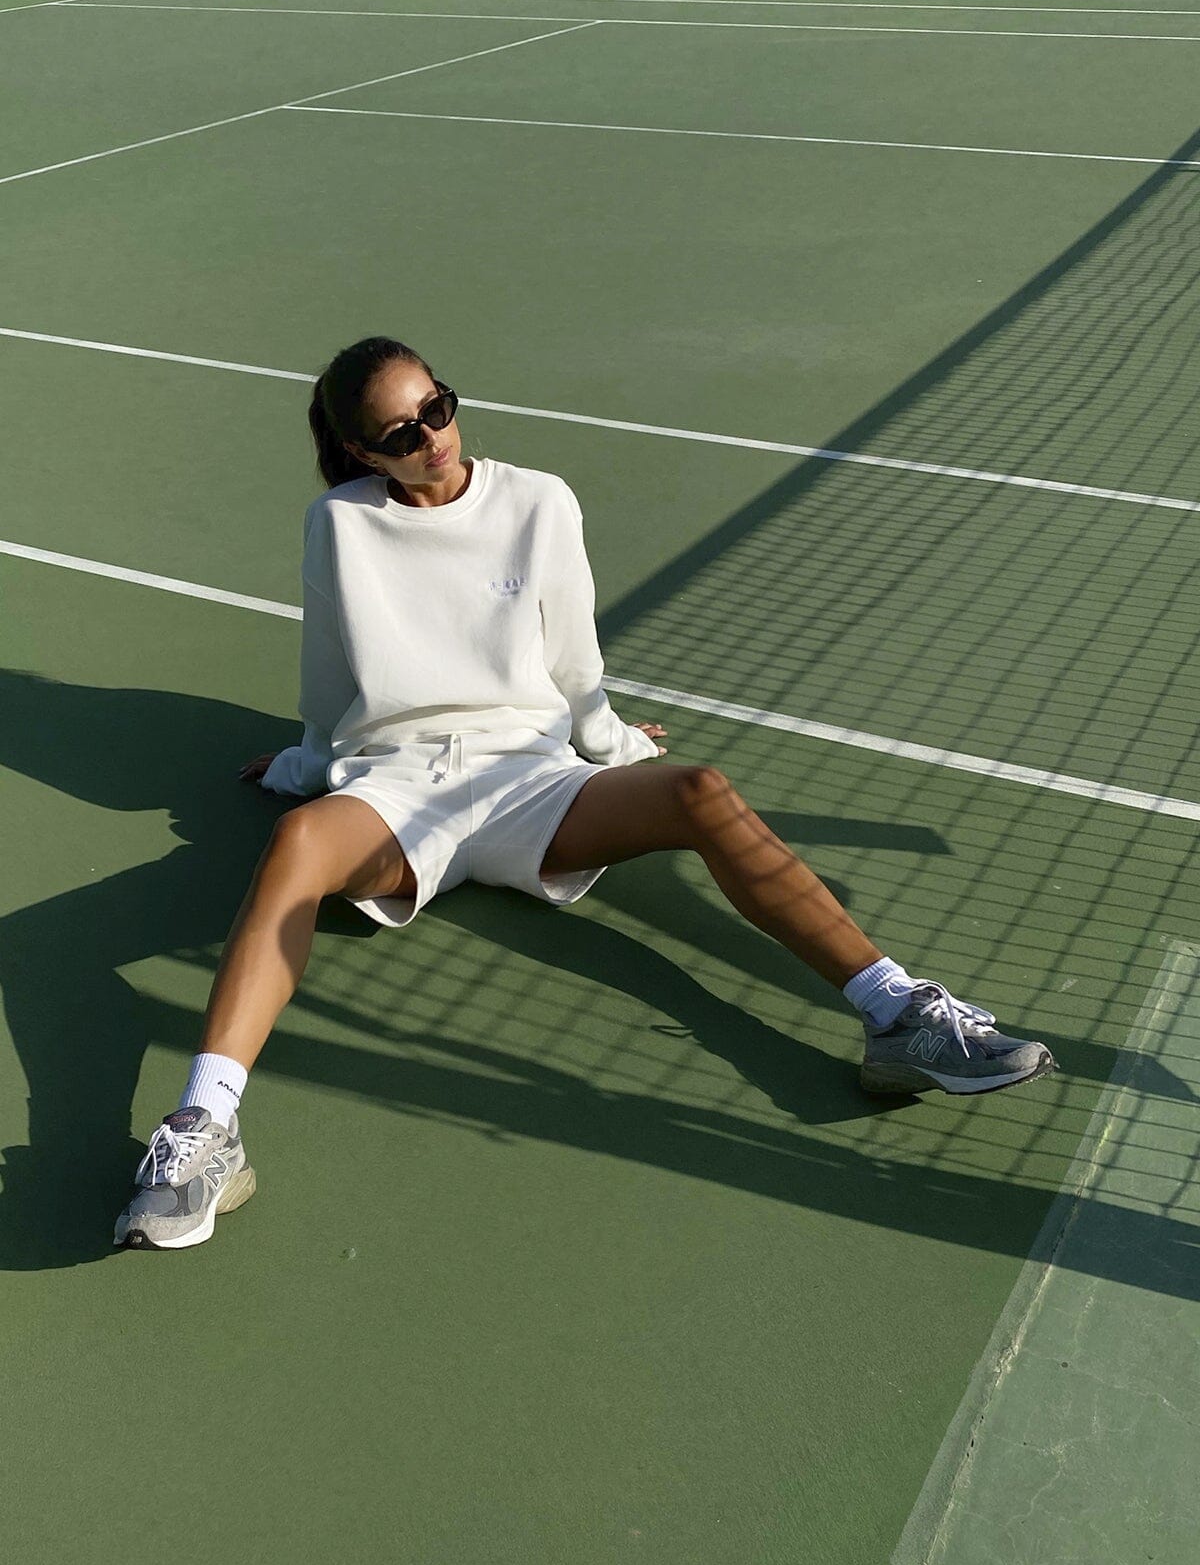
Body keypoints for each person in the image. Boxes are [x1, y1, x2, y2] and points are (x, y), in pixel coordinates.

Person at [114, 336, 1055, 1250]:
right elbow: (330, 676)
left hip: (530, 779)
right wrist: (300, 767)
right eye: (400, 434)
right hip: (400, 786)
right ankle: (206, 1131)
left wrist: (612, 745)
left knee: (702, 791)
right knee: (296, 848)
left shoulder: (539, 501)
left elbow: (574, 661)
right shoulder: (341, 524)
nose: (432, 439)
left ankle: (897, 1017)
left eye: (437, 409)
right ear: (361, 452)